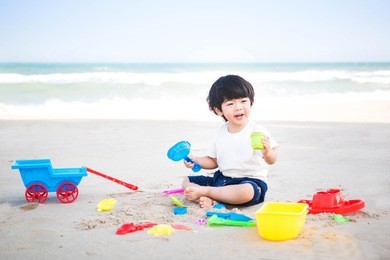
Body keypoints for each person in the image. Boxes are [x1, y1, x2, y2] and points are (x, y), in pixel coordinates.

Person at [182, 75, 279, 208]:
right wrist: (196, 160)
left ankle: (208, 193)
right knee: (187, 181)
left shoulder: (257, 130)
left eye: (243, 101)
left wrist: (267, 152)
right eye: (230, 104)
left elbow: (272, 159)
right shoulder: (220, 132)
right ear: (218, 110)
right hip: (223, 180)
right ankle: (212, 198)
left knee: (246, 192)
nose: (238, 107)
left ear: (251, 103)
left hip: (250, 182)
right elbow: (213, 161)